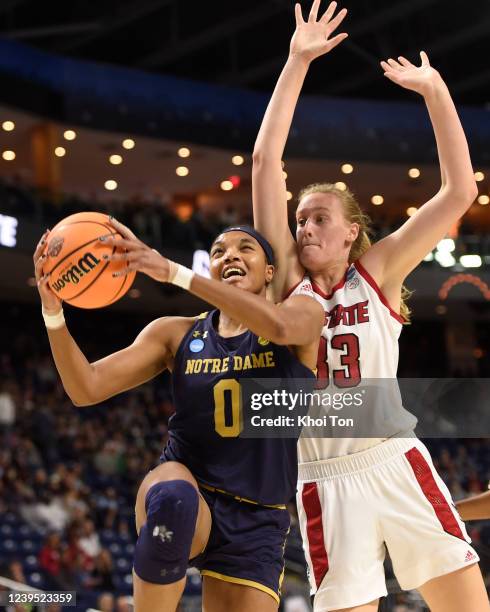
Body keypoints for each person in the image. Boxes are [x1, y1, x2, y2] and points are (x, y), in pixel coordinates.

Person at [252, 1, 488, 610]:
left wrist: (436, 90)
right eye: (299, 219)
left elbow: (460, 190)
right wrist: (296, 60)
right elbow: (263, 162)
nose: (304, 229)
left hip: (396, 460)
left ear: (351, 232)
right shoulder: (283, 285)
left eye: (319, 218)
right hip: (325, 482)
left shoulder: (376, 271)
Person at [34, 220, 323, 612]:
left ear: (270, 272)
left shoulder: (300, 318)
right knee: (173, 498)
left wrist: (172, 272)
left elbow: (280, 324)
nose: (230, 255)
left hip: (257, 516)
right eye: (219, 251)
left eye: (244, 248)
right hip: (190, 488)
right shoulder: (176, 334)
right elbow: (86, 388)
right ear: (211, 269)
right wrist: (53, 313)